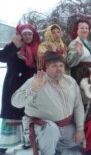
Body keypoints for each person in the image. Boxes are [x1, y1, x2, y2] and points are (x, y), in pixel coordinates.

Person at [11, 51, 85, 155]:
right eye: (54, 66)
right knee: (51, 130)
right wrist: (33, 90)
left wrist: (80, 129)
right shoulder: (37, 81)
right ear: (47, 67)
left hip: (64, 126)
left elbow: (78, 105)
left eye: (61, 65)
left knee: (82, 139)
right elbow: (15, 102)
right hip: (41, 127)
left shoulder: (70, 81)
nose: (59, 69)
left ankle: (56, 147)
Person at [0, 24, 41, 154]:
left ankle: (27, 141)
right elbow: (2, 57)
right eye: (25, 34)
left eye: (30, 34)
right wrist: (14, 45)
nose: (28, 36)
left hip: (30, 85)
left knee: (27, 114)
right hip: (14, 85)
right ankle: (4, 144)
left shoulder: (37, 48)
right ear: (20, 35)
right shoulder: (13, 46)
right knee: (12, 113)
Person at [67, 19, 91, 84]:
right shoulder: (75, 43)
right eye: (82, 28)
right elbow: (70, 62)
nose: (85, 30)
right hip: (81, 74)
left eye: (87, 28)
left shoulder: (90, 43)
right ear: (77, 30)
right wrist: (77, 54)